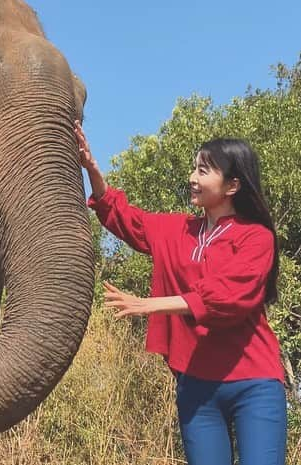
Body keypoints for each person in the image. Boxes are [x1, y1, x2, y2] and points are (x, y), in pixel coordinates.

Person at [74, 121, 287, 465]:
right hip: (197, 386)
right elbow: (122, 216)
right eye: (193, 168)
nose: (192, 177)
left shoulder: (256, 238)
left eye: (204, 170)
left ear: (233, 185)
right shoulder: (176, 229)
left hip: (254, 384)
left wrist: (149, 305)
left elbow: (226, 296)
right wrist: (92, 169)